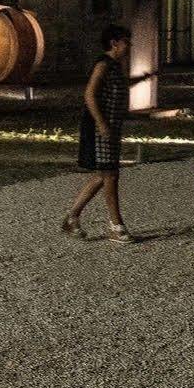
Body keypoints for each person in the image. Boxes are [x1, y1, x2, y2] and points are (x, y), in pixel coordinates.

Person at [63, 25, 137, 243]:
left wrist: (143, 78)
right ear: (114, 43)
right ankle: (116, 225)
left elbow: (117, 88)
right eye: (126, 41)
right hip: (100, 128)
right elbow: (90, 95)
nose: (129, 46)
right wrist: (101, 123)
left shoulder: (115, 66)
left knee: (102, 175)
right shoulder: (103, 64)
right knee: (110, 175)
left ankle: (72, 217)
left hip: (111, 127)